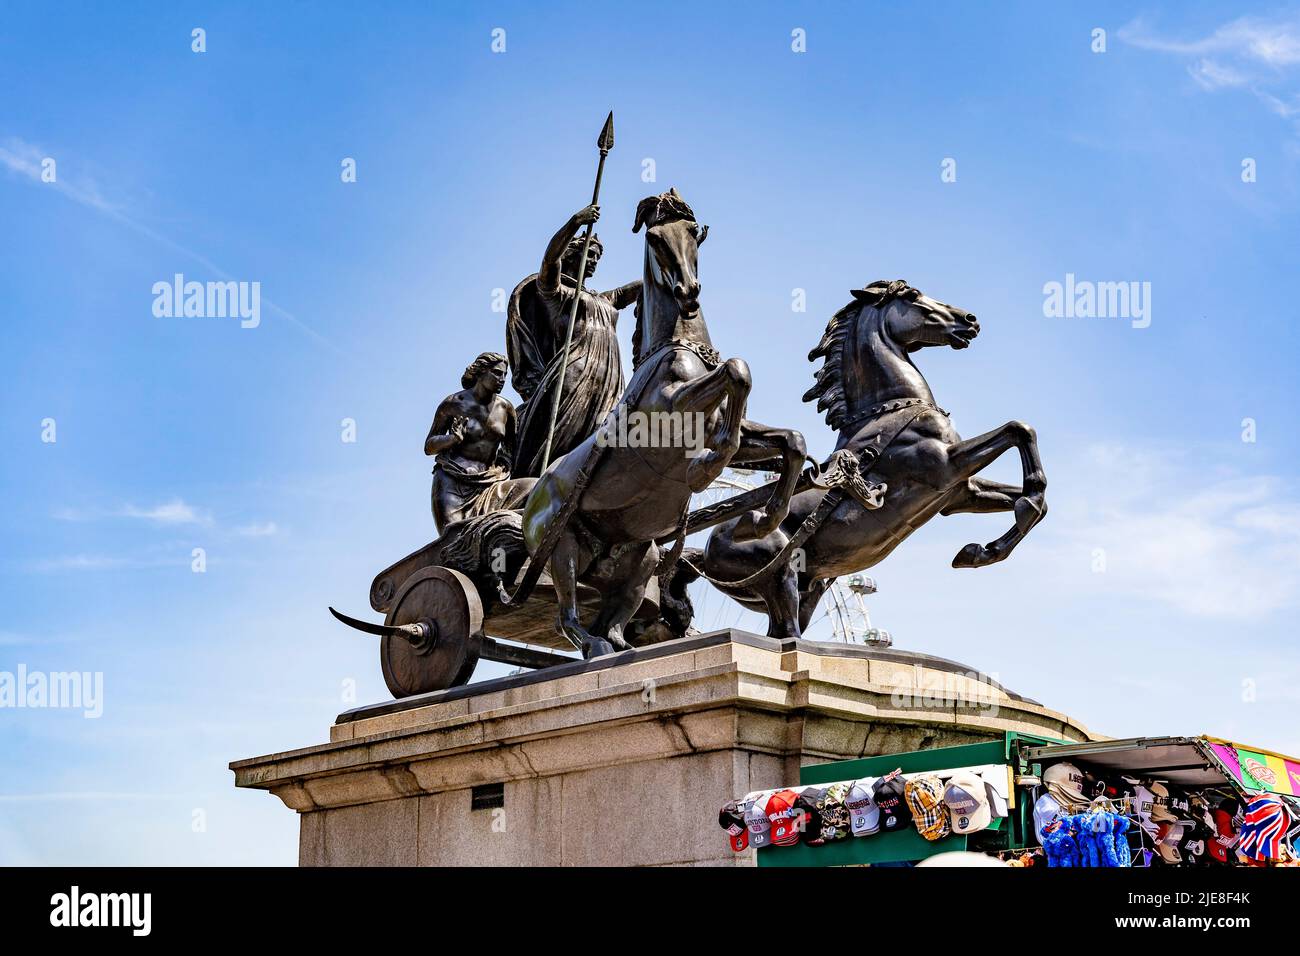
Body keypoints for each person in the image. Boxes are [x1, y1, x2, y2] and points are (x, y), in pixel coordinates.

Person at [508, 203, 640, 477]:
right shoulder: (556, 295)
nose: (594, 261)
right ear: (573, 255)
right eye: (589, 255)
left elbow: (637, 288)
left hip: (611, 380)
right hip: (574, 375)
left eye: (597, 258)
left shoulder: (602, 299)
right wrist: (575, 222)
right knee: (563, 443)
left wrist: (672, 256)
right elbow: (549, 262)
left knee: (617, 440)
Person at [425, 352, 536, 533]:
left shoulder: (506, 409)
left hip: (490, 483)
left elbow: (510, 449)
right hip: (453, 483)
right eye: (497, 373)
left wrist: (503, 468)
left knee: (534, 487)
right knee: (454, 537)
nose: (502, 379)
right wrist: (451, 439)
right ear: (481, 372)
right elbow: (429, 446)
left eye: (505, 375)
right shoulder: (453, 403)